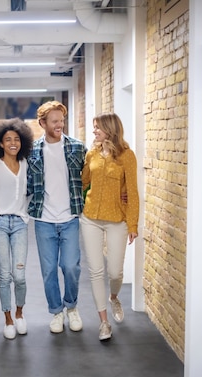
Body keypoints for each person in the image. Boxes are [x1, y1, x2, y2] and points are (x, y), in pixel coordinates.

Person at [27, 100, 86, 334]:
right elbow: (26, 182)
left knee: (71, 267)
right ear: (42, 123)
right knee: (49, 270)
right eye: (54, 121)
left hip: (70, 217)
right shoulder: (32, 150)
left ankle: (71, 307)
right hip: (44, 220)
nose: (59, 124)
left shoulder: (78, 147)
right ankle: (56, 311)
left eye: (61, 120)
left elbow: (90, 178)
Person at [80, 113, 139, 341]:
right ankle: (104, 322)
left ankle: (114, 297)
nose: (94, 131)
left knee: (115, 271)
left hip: (117, 219)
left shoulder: (127, 156)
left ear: (110, 129)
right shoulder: (92, 152)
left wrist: (132, 223)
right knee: (96, 271)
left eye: (97, 128)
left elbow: (132, 192)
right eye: (94, 128)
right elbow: (85, 181)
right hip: (91, 217)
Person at [0, 118, 34, 340]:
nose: (13, 143)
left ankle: (20, 313)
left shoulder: (27, 165)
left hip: (21, 224)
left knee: (19, 276)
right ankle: (8, 319)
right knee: (5, 276)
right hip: (0, 224)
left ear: (22, 142)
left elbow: (33, 191)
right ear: (0, 144)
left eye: (16, 139)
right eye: (7, 140)